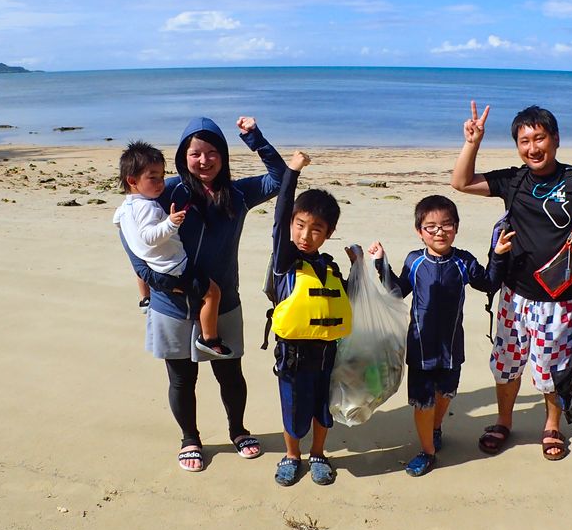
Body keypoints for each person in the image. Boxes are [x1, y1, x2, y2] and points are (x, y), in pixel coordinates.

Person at [451, 102, 572, 462]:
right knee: (506, 364)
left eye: (539, 138)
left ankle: (551, 425)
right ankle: (504, 420)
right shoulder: (514, 180)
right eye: (524, 141)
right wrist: (472, 142)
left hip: (559, 300)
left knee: (552, 368)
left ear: (555, 140)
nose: (532, 147)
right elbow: (460, 182)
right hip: (513, 296)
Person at [120, 116, 285, 472]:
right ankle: (190, 438)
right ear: (184, 156)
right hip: (172, 303)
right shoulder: (166, 191)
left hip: (223, 299)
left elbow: (281, 178)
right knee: (182, 378)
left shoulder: (239, 194)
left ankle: (239, 431)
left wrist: (254, 138)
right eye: (195, 153)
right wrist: (163, 282)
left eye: (212, 152)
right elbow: (130, 230)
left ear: (223, 156)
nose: (204, 160)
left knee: (230, 374)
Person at [368, 194, 491, 477]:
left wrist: (499, 253)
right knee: (424, 402)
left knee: (445, 394)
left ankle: (435, 428)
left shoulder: (464, 261)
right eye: (431, 227)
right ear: (419, 232)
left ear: (457, 227)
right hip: (420, 347)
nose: (439, 232)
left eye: (447, 225)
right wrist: (380, 263)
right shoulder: (415, 261)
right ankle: (427, 451)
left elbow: (489, 282)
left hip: (452, 346)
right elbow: (397, 292)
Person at [267, 150, 349, 487]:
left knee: (322, 408)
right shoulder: (284, 261)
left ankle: (318, 453)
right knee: (292, 407)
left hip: (327, 354)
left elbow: (347, 300)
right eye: (300, 225)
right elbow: (281, 209)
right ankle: (292, 455)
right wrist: (292, 172)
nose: (305, 235)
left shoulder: (331, 267)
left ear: (328, 233)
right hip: (292, 356)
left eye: (316, 229)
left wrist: (363, 264)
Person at [114, 141, 231, 358]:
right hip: (175, 266)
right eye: (153, 178)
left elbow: (120, 223)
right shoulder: (147, 206)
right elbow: (149, 237)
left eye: (161, 176)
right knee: (212, 293)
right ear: (132, 181)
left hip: (155, 265)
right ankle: (209, 338)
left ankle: (145, 298)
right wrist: (170, 223)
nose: (161, 183)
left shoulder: (125, 207)